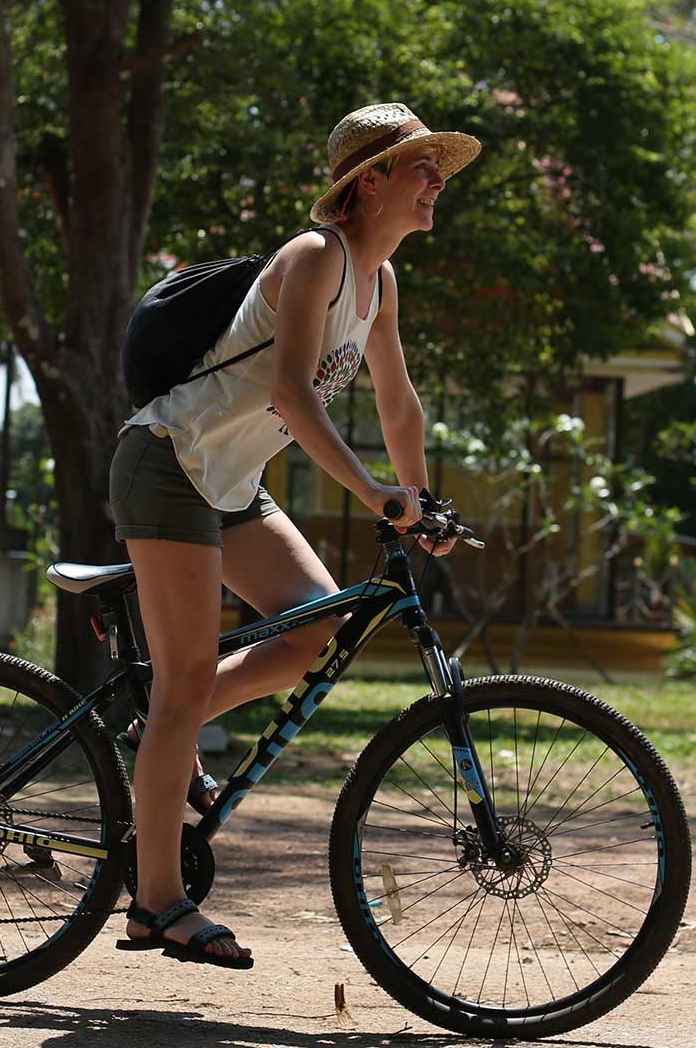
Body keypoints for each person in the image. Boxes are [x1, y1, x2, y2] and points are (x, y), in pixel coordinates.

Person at [109, 101, 481, 968]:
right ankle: (157, 903)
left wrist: (418, 499)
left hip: (227, 482)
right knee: (186, 675)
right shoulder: (314, 257)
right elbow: (290, 394)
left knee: (317, 626)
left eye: (437, 166)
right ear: (368, 182)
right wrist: (374, 494)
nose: (435, 181)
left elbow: (397, 402)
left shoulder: (380, 283)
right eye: (419, 165)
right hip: (168, 461)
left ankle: (158, 735)